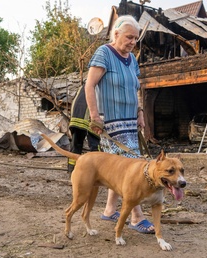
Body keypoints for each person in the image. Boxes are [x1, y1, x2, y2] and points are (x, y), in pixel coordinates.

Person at [84, 15, 154, 234]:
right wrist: (95, 115)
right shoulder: (104, 53)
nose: (133, 42)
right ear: (116, 34)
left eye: (135, 38)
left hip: (130, 122)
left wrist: (140, 112)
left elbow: (135, 89)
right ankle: (136, 216)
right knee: (130, 169)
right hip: (111, 122)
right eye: (129, 37)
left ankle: (109, 209)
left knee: (118, 168)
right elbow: (89, 85)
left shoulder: (132, 59)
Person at [68, 85, 100, 173]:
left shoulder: (83, 86)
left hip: (76, 117)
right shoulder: (97, 87)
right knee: (95, 145)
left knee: (76, 145)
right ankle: (97, 171)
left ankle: (72, 170)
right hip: (88, 117)